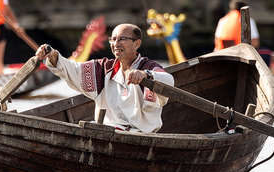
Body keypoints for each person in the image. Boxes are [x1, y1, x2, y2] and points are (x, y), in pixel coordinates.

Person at [35, 23, 175, 133]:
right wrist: (53, 55)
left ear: (137, 43)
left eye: (122, 39)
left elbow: (169, 81)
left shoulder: (149, 66)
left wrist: (146, 75)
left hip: (139, 135)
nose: (116, 44)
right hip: (108, 132)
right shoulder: (104, 69)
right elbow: (73, 70)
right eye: (113, 39)